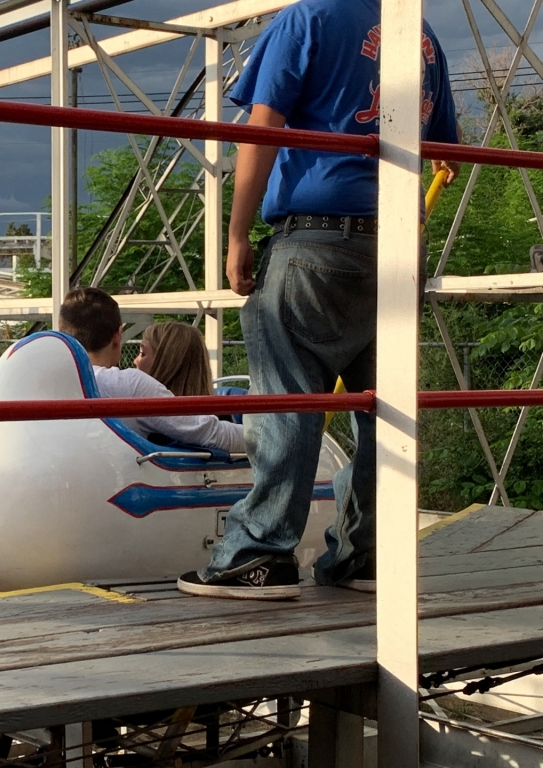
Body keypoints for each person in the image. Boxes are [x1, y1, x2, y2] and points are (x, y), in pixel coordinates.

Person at [177, 0, 461, 600]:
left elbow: (261, 129)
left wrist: (236, 235)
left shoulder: (307, 19)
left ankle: (260, 553)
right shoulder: (422, 34)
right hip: (398, 244)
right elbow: (447, 153)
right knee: (385, 411)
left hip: (317, 235)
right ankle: (366, 555)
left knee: (286, 398)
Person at [58, 288, 245, 454]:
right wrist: (270, 436)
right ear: (117, 336)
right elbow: (213, 434)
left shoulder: (44, 380)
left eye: (142, 352)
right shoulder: (129, 384)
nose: (135, 360)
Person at [134, 322, 215, 398]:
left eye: (142, 353)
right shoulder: (218, 409)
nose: (135, 361)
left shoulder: (134, 408)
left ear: (167, 363)